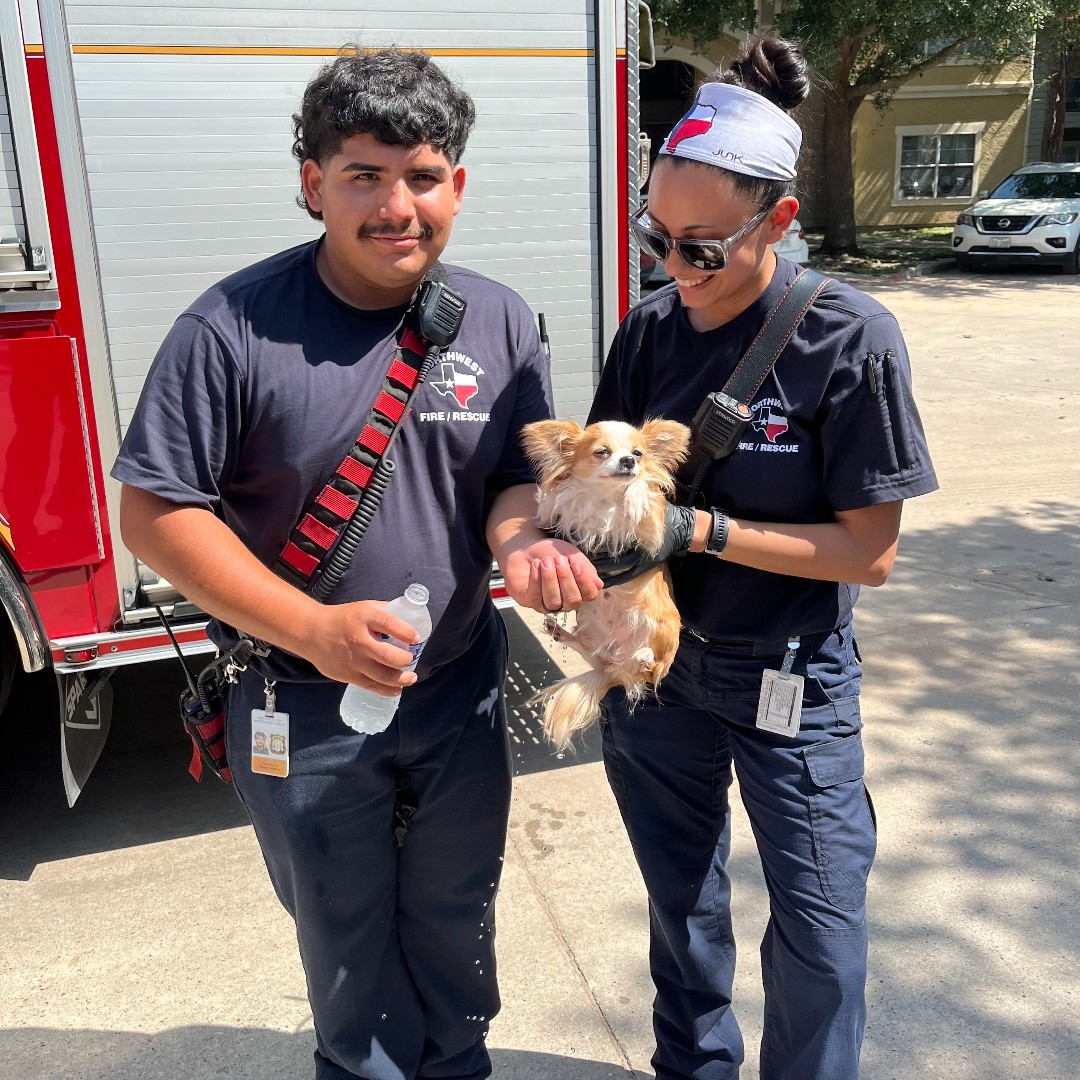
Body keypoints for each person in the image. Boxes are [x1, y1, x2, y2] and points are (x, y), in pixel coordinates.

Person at [112, 46, 599, 1080]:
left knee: (458, 921)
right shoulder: (232, 328)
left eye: (421, 177)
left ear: (456, 186)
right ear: (312, 185)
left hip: (459, 689)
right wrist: (314, 631)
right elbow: (155, 515)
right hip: (300, 703)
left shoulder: (500, 319)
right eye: (363, 177)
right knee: (347, 954)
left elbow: (510, 481)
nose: (396, 207)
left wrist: (522, 541)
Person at [542, 33, 939, 1080]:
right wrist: (572, 563)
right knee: (681, 912)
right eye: (656, 238)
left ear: (780, 222)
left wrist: (703, 531)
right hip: (658, 674)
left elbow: (869, 554)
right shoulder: (649, 331)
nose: (676, 269)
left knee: (817, 933)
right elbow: (597, 488)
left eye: (704, 247)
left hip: (789, 676)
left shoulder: (848, 339)